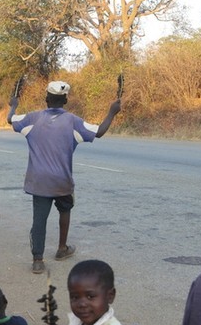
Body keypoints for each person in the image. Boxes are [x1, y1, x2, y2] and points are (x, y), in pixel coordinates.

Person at [7, 81, 121, 274]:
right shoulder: (73, 122)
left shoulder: (32, 118)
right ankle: (62, 248)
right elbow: (99, 132)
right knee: (65, 210)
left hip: (39, 181)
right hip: (62, 181)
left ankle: (37, 260)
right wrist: (112, 111)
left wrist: (14, 105)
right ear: (66, 100)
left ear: (46, 99)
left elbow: (11, 120)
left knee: (39, 220)